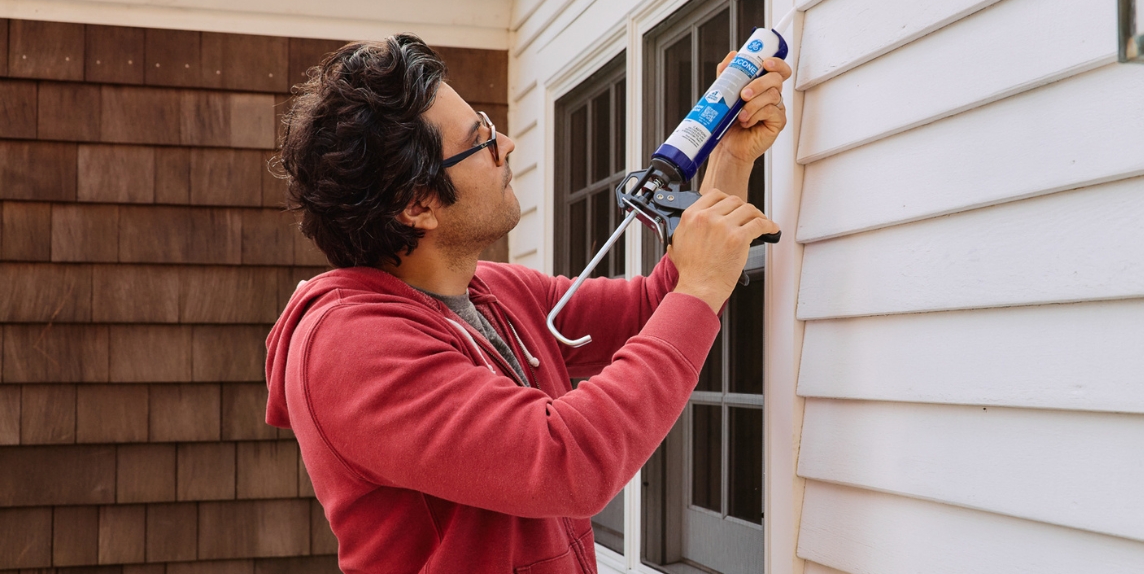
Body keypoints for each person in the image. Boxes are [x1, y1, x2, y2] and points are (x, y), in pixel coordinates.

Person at [264, 33, 790, 574]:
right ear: (417, 204)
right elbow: (568, 462)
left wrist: (728, 157)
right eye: (482, 138)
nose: (508, 144)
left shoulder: (489, 291)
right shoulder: (352, 351)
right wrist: (699, 289)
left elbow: (656, 309)